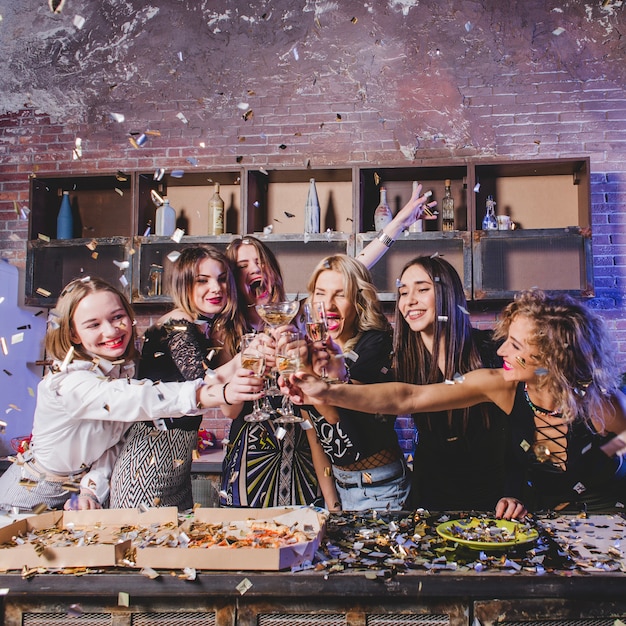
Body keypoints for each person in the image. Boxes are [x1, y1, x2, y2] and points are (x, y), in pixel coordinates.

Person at [285, 289, 626, 518]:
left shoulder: (603, 405)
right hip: (548, 524)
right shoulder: (501, 386)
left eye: (516, 346)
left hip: (607, 526)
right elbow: (408, 397)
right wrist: (327, 392)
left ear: (552, 358)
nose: (503, 350)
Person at [0, 277, 264, 512]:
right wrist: (213, 394)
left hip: (75, 498)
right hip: (26, 496)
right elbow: (136, 398)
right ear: (73, 334)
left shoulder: (123, 370)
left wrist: (90, 489)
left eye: (117, 317)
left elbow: (112, 444)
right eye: (93, 324)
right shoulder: (67, 383)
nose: (112, 331)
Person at [110, 245, 249, 510]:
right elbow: (203, 383)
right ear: (184, 284)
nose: (216, 288)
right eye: (202, 280)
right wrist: (246, 356)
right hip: (147, 464)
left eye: (221, 279)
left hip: (176, 462)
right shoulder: (178, 324)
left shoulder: (196, 326)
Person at [393, 255, 506, 511]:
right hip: (431, 492)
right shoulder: (399, 359)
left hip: (494, 494)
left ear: (448, 294)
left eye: (422, 289)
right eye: (403, 292)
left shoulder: (492, 349)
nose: (409, 300)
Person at [302, 254, 411, 511]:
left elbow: (346, 424)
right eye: (320, 293)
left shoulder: (375, 344)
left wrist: (313, 384)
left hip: (382, 489)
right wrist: (332, 502)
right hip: (341, 485)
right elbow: (315, 434)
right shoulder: (311, 352)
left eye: (340, 294)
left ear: (358, 301)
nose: (327, 305)